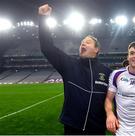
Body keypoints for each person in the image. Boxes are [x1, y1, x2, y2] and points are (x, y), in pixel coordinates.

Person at [38, 4, 112, 135]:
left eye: (87, 42)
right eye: (82, 42)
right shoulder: (69, 64)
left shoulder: (107, 73)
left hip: (98, 128)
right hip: (72, 128)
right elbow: (47, 47)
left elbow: (119, 96)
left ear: (97, 49)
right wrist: (44, 19)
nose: (83, 43)